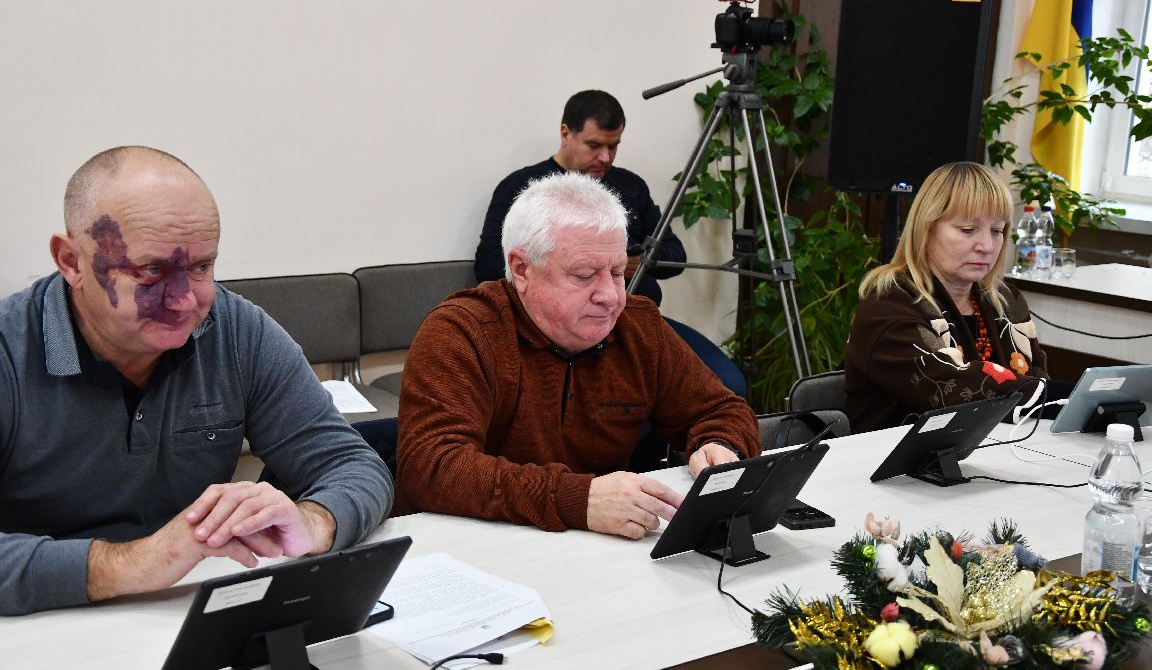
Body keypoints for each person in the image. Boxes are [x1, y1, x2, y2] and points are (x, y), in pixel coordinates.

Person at [0, 147, 393, 616]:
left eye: (202, 267)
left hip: (189, 608)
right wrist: (134, 563)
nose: (185, 301)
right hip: (40, 622)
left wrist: (314, 521)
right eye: (151, 271)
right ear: (71, 261)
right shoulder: (10, 352)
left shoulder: (237, 331)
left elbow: (353, 465)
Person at [398, 172, 761, 539]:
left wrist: (720, 443)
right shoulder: (463, 332)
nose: (611, 296)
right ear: (522, 270)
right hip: (480, 545)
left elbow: (722, 410)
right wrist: (578, 499)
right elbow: (431, 467)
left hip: (600, 547)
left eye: (617, 272)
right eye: (585, 275)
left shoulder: (638, 327)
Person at [474, 89, 747, 401]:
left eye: (613, 146)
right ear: (566, 133)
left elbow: (674, 255)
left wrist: (628, 264)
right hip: (558, 330)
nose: (605, 157)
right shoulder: (524, 188)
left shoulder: (630, 186)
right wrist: (572, 267)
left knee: (728, 385)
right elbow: (488, 266)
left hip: (635, 323)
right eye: (594, 145)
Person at [844, 161, 1049, 432]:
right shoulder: (888, 306)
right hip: (892, 456)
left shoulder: (1005, 300)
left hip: (993, 450)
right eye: (968, 229)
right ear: (926, 229)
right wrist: (1051, 395)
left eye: (997, 230)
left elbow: (1039, 377)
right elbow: (956, 390)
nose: (986, 246)